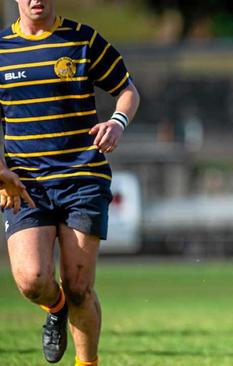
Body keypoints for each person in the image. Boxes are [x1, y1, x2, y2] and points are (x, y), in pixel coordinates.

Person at [1, 1, 140, 365]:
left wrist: (118, 121)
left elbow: (127, 90)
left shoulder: (82, 40)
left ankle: (87, 363)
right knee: (32, 280)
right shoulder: (1, 50)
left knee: (79, 287)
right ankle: (55, 306)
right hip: (25, 183)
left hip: (82, 178)